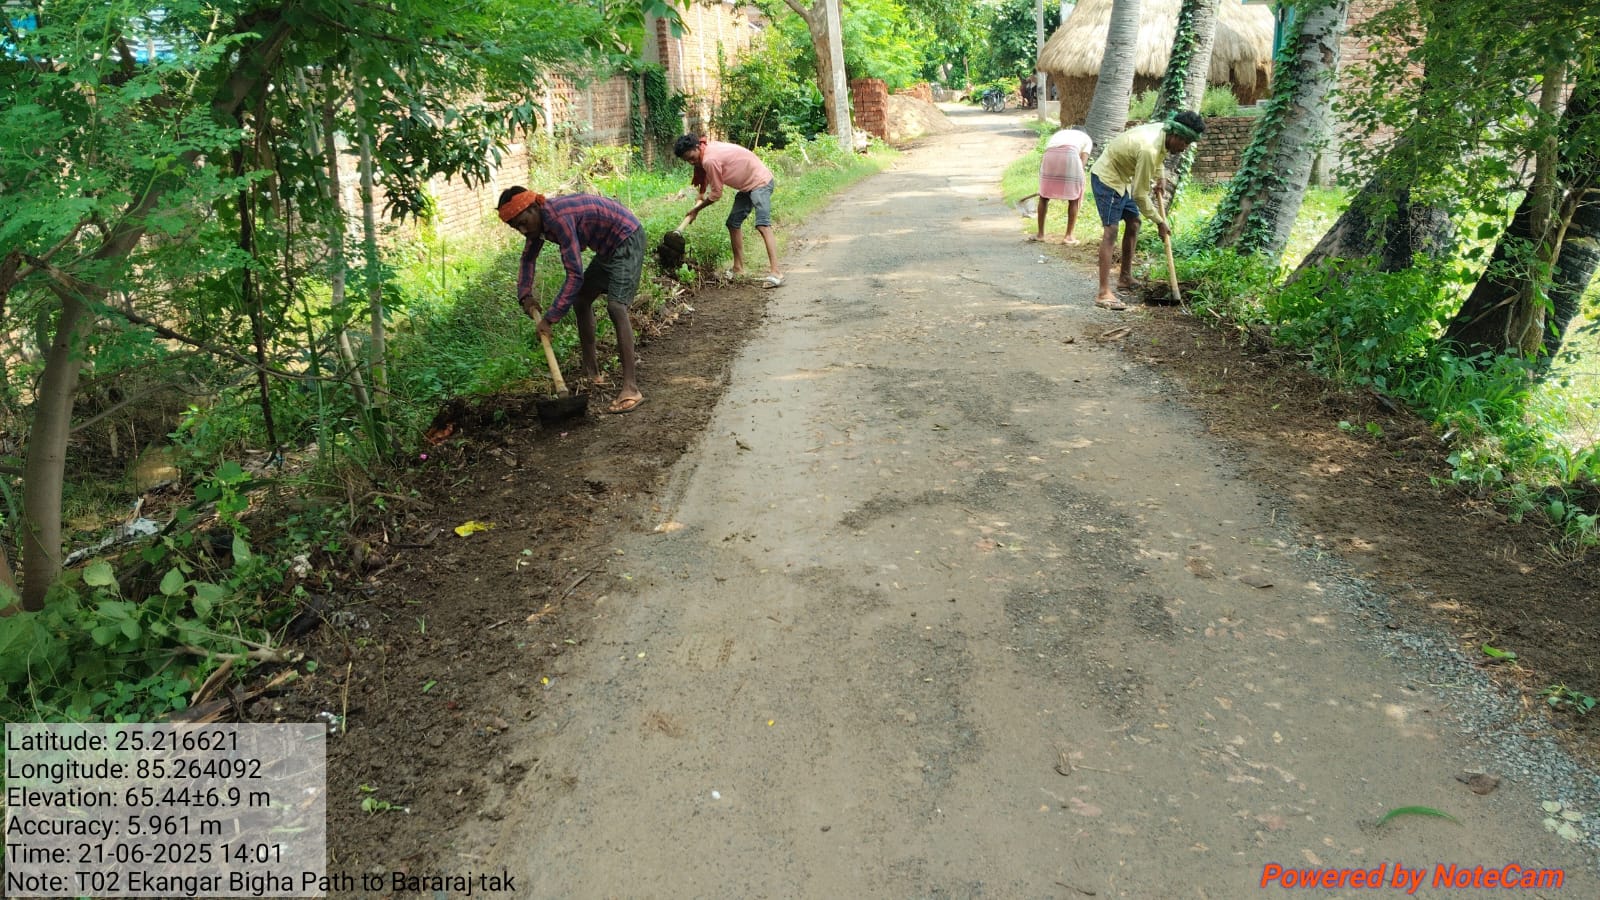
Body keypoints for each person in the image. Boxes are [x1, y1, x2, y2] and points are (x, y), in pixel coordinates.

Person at [497, 186, 644, 414]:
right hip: (607, 249)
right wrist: (525, 295)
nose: (523, 230)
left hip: (626, 239)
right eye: (516, 227)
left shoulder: (558, 219)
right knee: (581, 299)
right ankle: (591, 373)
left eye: (523, 222)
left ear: (535, 207)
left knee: (616, 306)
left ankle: (631, 388)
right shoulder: (539, 225)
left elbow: (575, 276)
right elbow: (528, 259)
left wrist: (549, 319)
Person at [1088, 110, 1205, 310]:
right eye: (1185, 143)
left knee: (1134, 222)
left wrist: (1161, 177)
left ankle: (1125, 278)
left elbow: (1159, 157)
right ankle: (1103, 293)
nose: (1184, 148)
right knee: (1111, 231)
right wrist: (1160, 221)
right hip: (1107, 178)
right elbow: (1140, 195)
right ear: (1176, 135)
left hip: (1122, 179)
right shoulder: (1148, 149)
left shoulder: (1163, 132)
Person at [673, 134, 784, 288]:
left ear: (697, 147)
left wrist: (696, 210)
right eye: (687, 161)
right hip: (747, 186)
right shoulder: (706, 147)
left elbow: (716, 194)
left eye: (691, 157)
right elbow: (705, 173)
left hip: (760, 182)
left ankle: (776, 272)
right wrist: (701, 194)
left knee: (762, 225)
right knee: (733, 223)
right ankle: (738, 268)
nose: (692, 162)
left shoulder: (709, 160)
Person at [1030, 128, 1092, 245]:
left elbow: (1046, 153)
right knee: (1074, 198)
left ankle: (1040, 234)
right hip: (1070, 154)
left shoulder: (1060, 134)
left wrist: (1043, 183)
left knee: (1044, 197)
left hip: (1049, 155)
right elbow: (1082, 164)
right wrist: (1079, 181)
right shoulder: (1086, 139)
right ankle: (1068, 236)